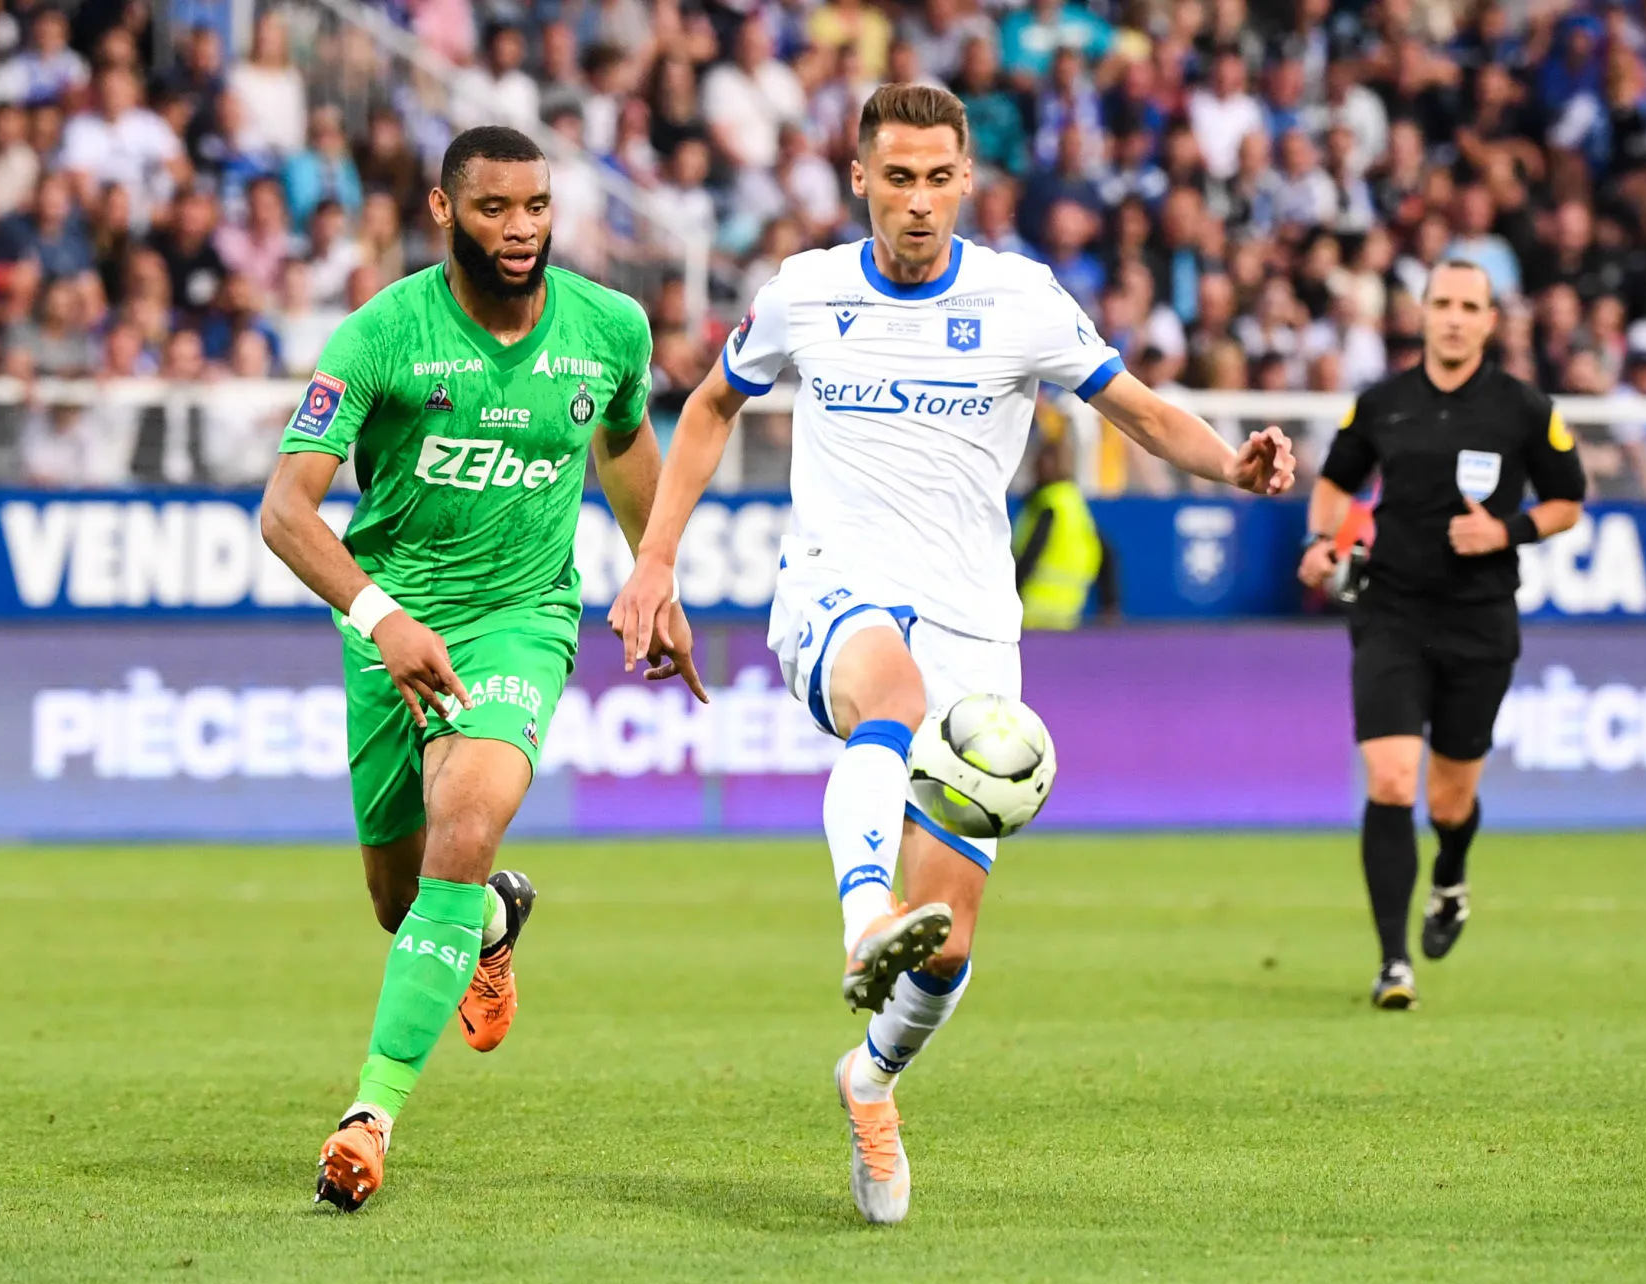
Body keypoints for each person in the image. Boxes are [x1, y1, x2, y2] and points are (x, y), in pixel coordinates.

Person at [609, 84, 1293, 1226]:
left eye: (939, 178)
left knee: (955, 933)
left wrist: (1235, 463)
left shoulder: (1021, 299)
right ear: (860, 179)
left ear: (967, 181)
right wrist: (656, 558)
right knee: (890, 692)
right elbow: (713, 404)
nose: (918, 202)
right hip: (834, 583)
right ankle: (860, 914)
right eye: (898, 177)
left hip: (978, 615)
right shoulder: (807, 291)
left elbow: (1136, 409)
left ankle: (870, 1078)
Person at [260, 126, 708, 1212]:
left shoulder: (608, 328)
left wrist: (657, 575)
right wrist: (381, 616)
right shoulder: (383, 335)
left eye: (538, 208)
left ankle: (368, 1115)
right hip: (395, 625)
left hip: (520, 618)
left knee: (466, 826)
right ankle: (491, 924)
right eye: (497, 209)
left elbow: (624, 444)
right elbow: (285, 510)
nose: (522, 230)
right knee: (402, 897)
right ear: (443, 212)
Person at [1297, 259, 1586, 1011]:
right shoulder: (1381, 404)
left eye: (1469, 305)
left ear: (1491, 321)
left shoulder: (1522, 409)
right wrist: (1322, 541)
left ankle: (1450, 875)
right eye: (1442, 304)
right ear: (1420, 314)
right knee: (1391, 782)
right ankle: (1392, 963)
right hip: (1389, 613)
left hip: (1479, 622)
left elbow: (1568, 502)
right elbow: (1334, 483)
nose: (1454, 317)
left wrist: (1507, 530)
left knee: (1449, 801)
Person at [1012, 435, 1112, 629]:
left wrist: (1010, 592)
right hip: (1067, 614)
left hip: (1031, 610)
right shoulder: (1075, 503)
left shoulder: (1049, 504)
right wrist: (1109, 604)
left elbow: (1032, 553)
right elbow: (1107, 553)